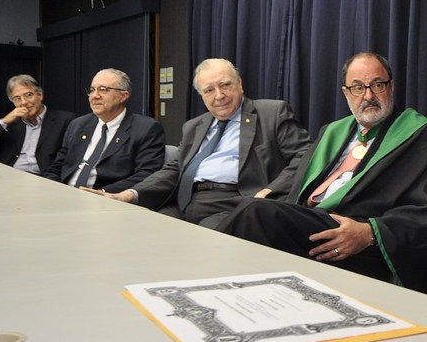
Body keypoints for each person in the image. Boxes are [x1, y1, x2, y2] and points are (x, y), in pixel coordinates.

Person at [218, 52, 427, 293]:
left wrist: (369, 232)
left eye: (377, 85)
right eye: (358, 88)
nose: (369, 96)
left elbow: (426, 209)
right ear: (345, 93)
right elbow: (298, 185)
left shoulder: (420, 134)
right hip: (313, 224)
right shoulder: (332, 131)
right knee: (247, 212)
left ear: (391, 87)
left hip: (356, 237)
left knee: (255, 213)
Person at [95, 58, 310, 228]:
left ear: (239, 84)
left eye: (225, 85)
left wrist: (270, 190)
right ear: (201, 95)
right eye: (209, 90)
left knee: (199, 242)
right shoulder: (194, 126)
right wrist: (130, 194)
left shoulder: (271, 113)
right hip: (187, 200)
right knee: (144, 228)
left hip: (235, 202)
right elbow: (174, 169)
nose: (219, 96)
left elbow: (305, 155)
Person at [44, 68, 166, 192]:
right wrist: (51, 188)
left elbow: (146, 175)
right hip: (66, 193)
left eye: (103, 90)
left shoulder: (145, 128)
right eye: (92, 90)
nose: (95, 96)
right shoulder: (78, 125)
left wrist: (103, 194)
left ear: (123, 96)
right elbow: (57, 167)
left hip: (107, 198)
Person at [0, 75, 76, 174]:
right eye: (17, 98)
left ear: (40, 95)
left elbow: (70, 159)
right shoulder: (11, 124)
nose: (24, 102)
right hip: (10, 177)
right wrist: (4, 122)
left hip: (45, 179)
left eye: (28, 95)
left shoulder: (64, 120)